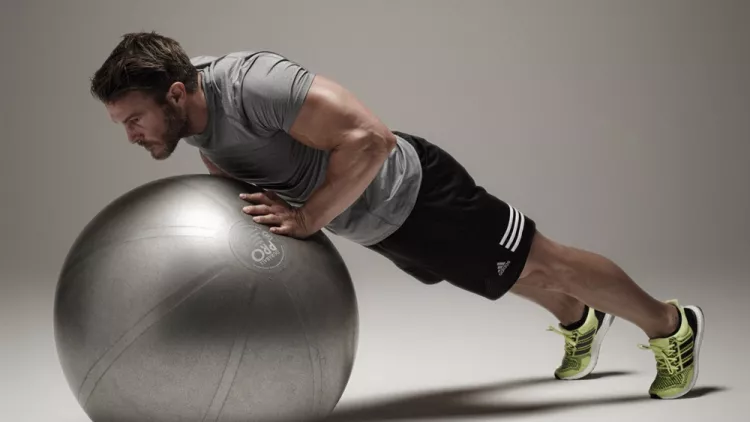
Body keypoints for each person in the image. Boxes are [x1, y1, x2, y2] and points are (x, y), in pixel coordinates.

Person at [90, 31, 704, 400]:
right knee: (496, 273)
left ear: (174, 92)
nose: (132, 136)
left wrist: (305, 221)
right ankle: (580, 320)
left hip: (418, 192)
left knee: (546, 260)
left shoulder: (253, 86)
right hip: (376, 224)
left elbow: (371, 139)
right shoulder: (189, 118)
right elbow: (241, 173)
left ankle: (670, 325)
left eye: (133, 120)